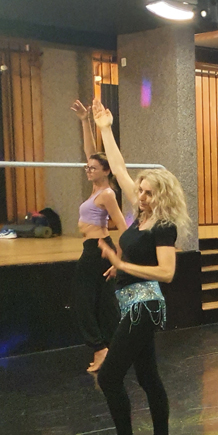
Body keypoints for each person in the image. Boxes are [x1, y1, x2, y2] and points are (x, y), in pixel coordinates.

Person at [90, 98, 190, 435]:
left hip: (145, 306)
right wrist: (105, 128)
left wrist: (122, 266)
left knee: (109, 377)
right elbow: (118, 168)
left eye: (148, 193)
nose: (141, 196)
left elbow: (167, 273)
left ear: (162, 196)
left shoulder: (163, 226)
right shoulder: (141, 217)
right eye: (141, 190)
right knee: (148, 378)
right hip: (131, 302)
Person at [71, 100, 127, 373]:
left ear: (106, 171)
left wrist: (119, 260)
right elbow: (90, 152)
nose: (89, 169)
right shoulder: (96, 189)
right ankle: (116, 347)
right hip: (97, 249)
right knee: (105, 303)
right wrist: (85, 121)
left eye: (93, 168)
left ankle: (100, 348)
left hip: (98, 249)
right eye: (88, 167)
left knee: (83, 302)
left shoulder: (107, 194)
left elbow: (123, 227)